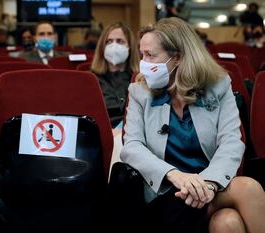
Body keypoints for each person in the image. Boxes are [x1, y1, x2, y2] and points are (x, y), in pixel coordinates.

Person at [121, 17, 265, 233]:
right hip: (165, 192)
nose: (143, 63)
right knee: (249, 189)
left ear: (177, 58)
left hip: (211, 188)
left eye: (150, 55)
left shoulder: (219, 86)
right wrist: (175, 174)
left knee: (227, 223)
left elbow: (232, 142)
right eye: (142, 55)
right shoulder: (139, 91)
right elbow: (131, 146)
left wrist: (208, 184)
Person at [90, 22, 139, 128]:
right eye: (109, 41)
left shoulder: (140, 79)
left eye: (120, 41)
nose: (114, 45)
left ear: (130, 47)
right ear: (102, 47)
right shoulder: (91, 79)